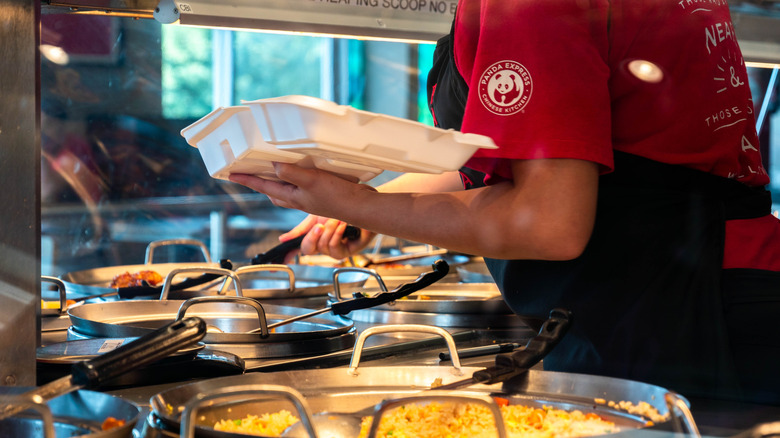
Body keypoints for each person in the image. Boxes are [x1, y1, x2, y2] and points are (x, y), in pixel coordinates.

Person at [229, 0, 780, 405]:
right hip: (715, 287)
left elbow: (549, 223)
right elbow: (556, 166)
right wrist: (360, 205)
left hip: (684, 311)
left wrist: (358, 203)